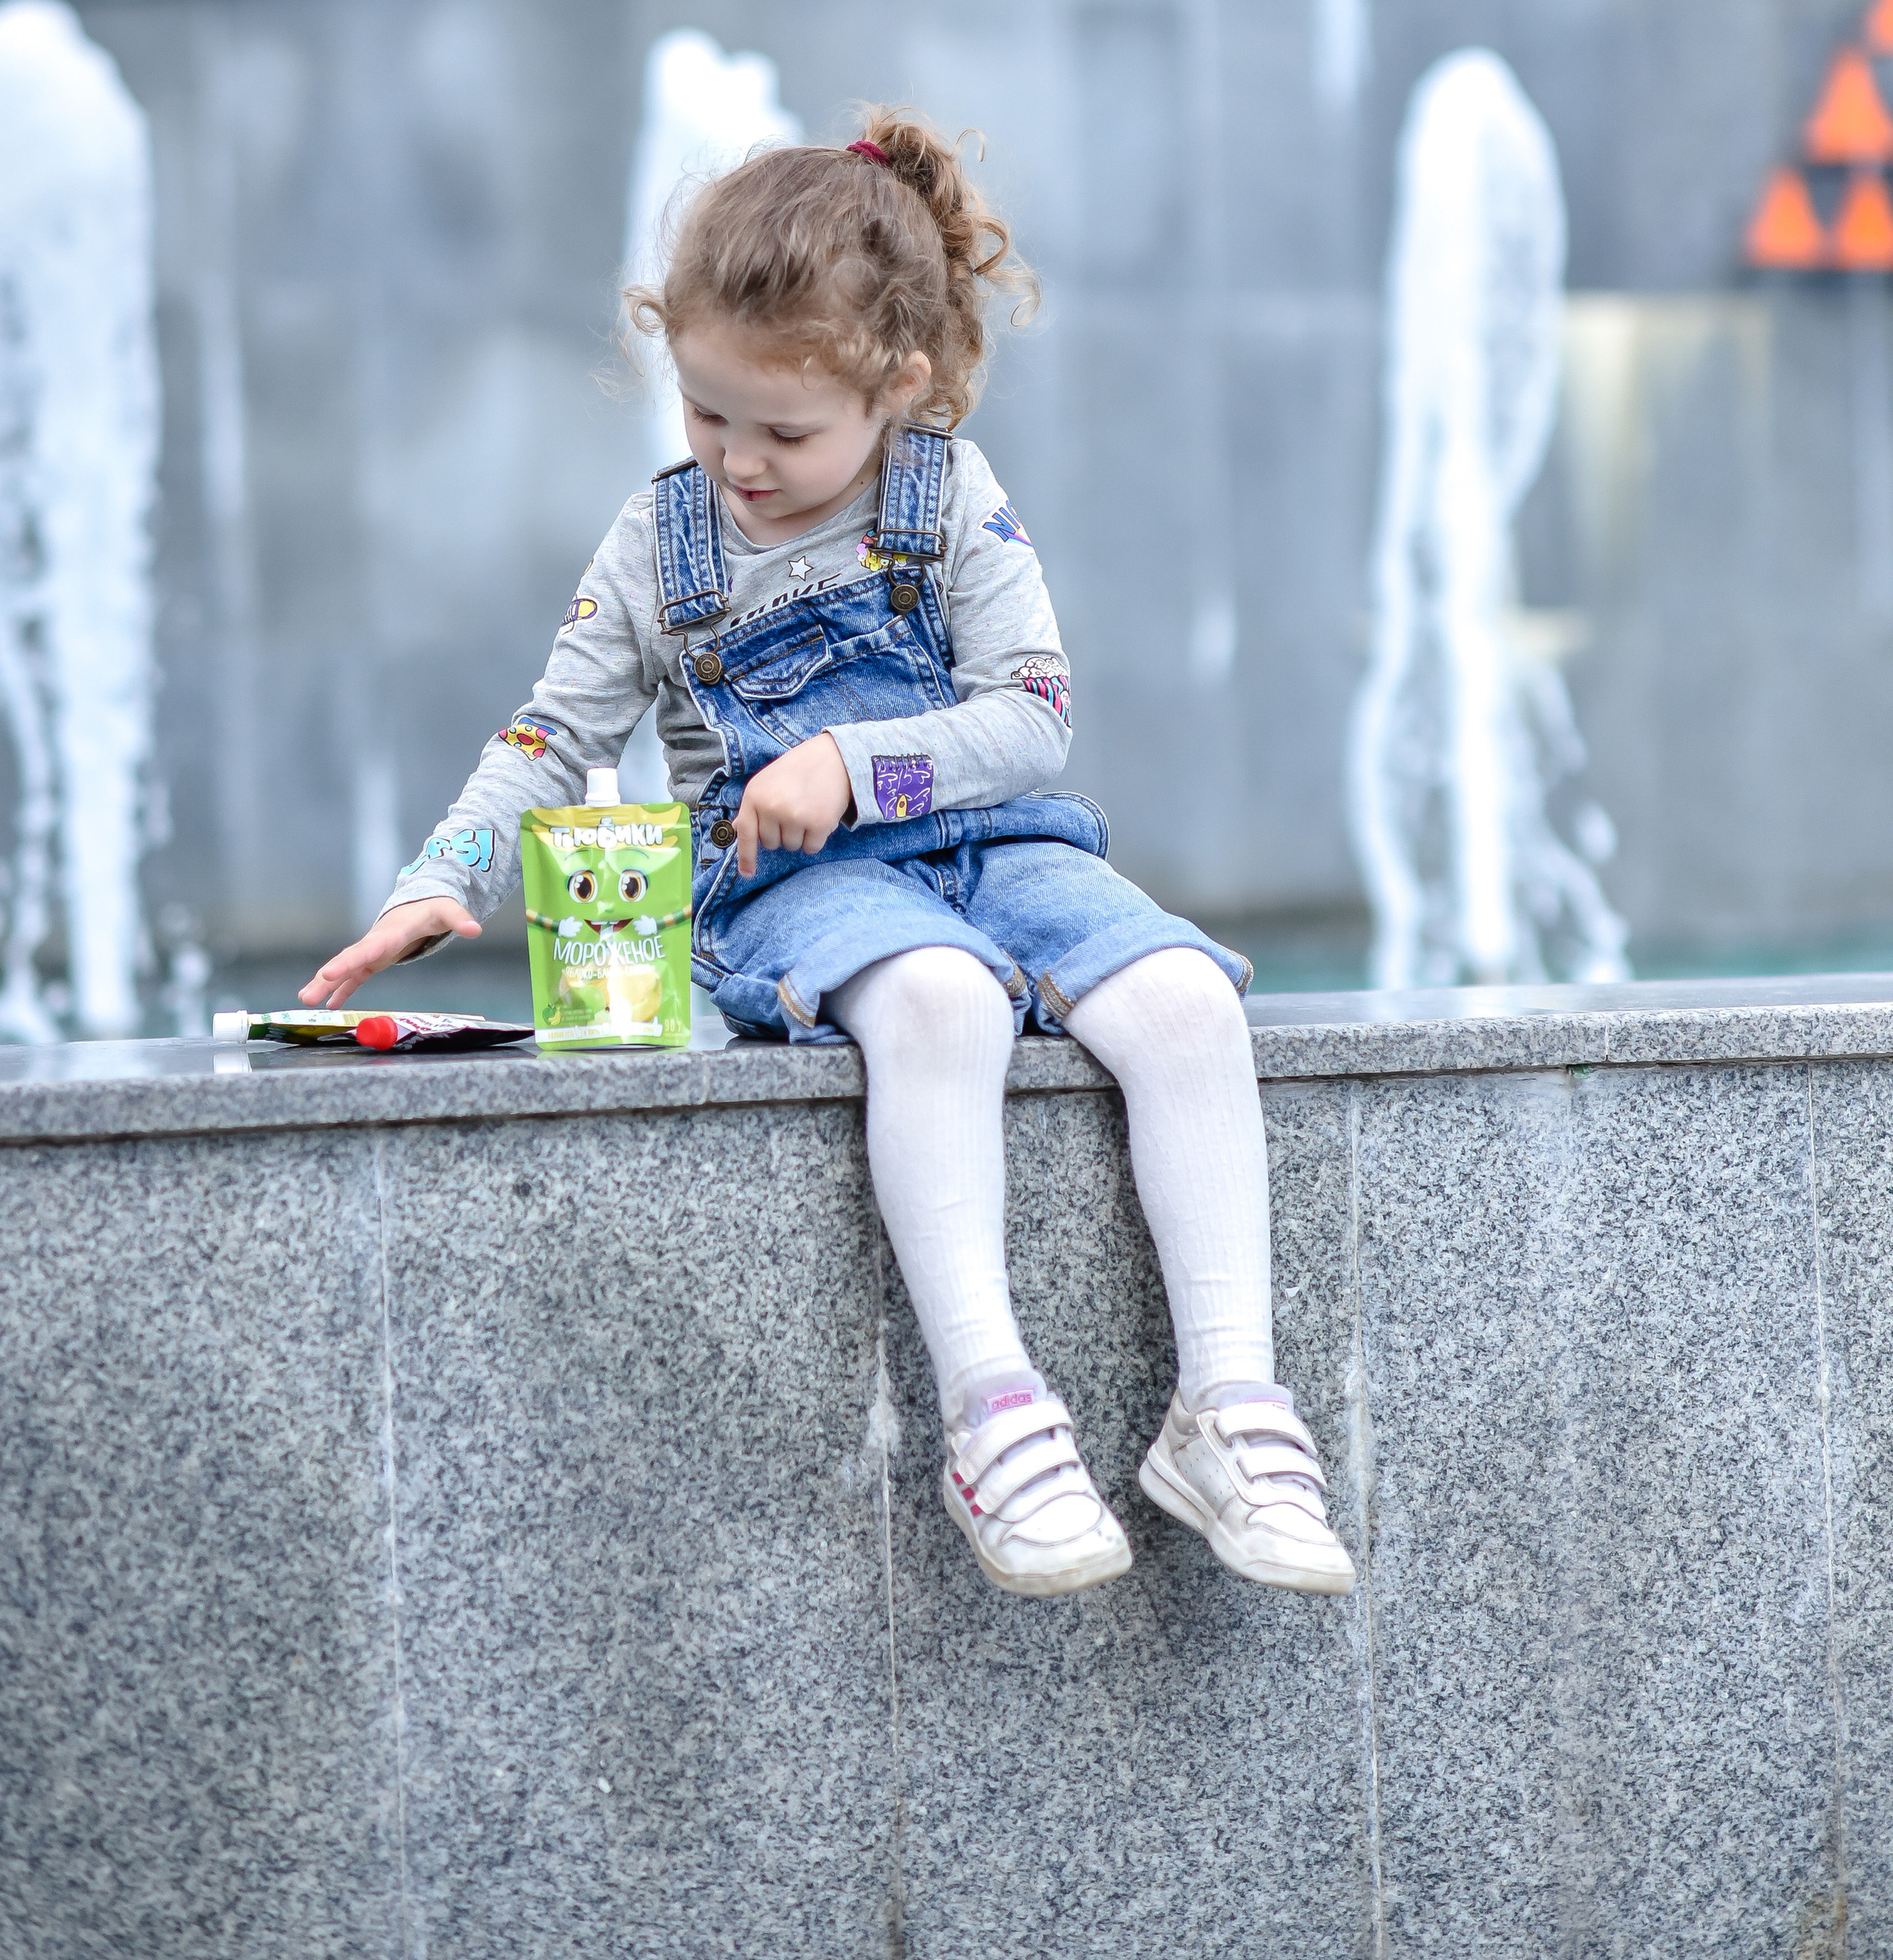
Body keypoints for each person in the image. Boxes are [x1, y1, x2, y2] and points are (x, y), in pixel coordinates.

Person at [301, 112, 1354, 1603]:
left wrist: (853, 764)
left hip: (995, 845)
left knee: (1185, 999)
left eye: (785, 434)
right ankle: (993, 1412)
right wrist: (440, 881)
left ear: (898, 386)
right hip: (799, 892)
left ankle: (1229, 1408)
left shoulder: (954, 500)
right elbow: (550, 732)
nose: (739, 462)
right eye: (706, 415)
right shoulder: (658, 547)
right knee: (940, 999)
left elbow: (1034, 716)